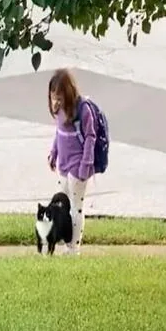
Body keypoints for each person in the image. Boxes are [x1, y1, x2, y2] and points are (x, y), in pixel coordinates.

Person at [47, 69, 96, 255]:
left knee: (76, 206)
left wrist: (86, 164)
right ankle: (66, 242)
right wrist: (53, 152)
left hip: (78, 166)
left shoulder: (83, 111)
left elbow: (91, 137)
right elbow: (59, 133)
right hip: (63, 164)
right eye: (53, 98)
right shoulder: (58, 111)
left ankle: (74, 248)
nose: (56, 102)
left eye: (59, 98)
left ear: (68, 93)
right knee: (63, 205)